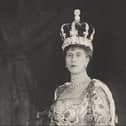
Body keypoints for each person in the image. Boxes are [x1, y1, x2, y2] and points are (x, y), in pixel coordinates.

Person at [43, 9, 118, 126]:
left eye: (78, 55)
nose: (73, 59)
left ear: (87, 60)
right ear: (65, 60)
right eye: (70, 55)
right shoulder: (60, 91)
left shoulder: (95, 90)